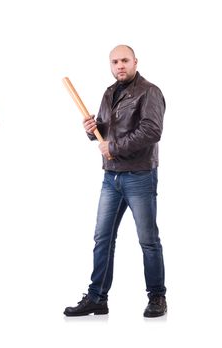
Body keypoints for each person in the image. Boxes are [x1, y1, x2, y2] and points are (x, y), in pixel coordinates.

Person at [64, 45, 167, 318]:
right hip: (111, 177)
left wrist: (115, 147)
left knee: (147, 240)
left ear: (135, 62)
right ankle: (97, 297)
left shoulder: (150, 91)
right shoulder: (109, 93)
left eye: (124, 60)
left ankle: (157, 296)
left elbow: (152, 131)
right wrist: (92, 130)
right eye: (114, 62)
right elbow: (105, 130)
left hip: (140, 175)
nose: (119, 65)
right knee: (102, 238)